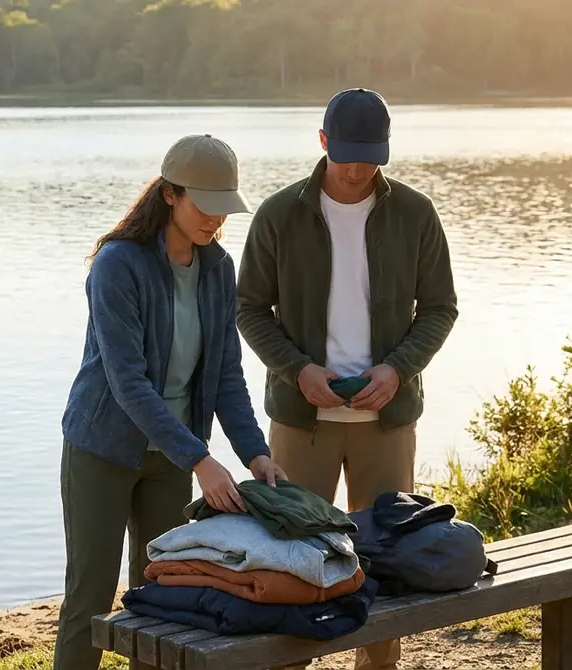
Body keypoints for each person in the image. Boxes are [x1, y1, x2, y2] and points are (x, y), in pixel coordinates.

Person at [236, 88, 458, 670]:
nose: (358, 170)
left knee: (388, 562)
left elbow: (439, 308)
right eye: (346, 156)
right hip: (301, 419)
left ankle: (377, 665)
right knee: (293, 559)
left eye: (370, 157)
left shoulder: (415, 213)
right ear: (322, 141)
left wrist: (398, 368)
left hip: (387, 420)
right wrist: (297, 369)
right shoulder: (279, 214)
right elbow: (249, 310)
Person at [56, 134, 288, 670]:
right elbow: (128, 383)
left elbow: (226, 375)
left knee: (162, 597)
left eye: (223, 207)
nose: (215, 219)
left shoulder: (218, 268)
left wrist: (255, 453)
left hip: (173, 457)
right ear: (169, 194)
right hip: (103, 450)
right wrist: (201, 461)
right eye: (203, 205)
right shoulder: (117, 265)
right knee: (89, 600)